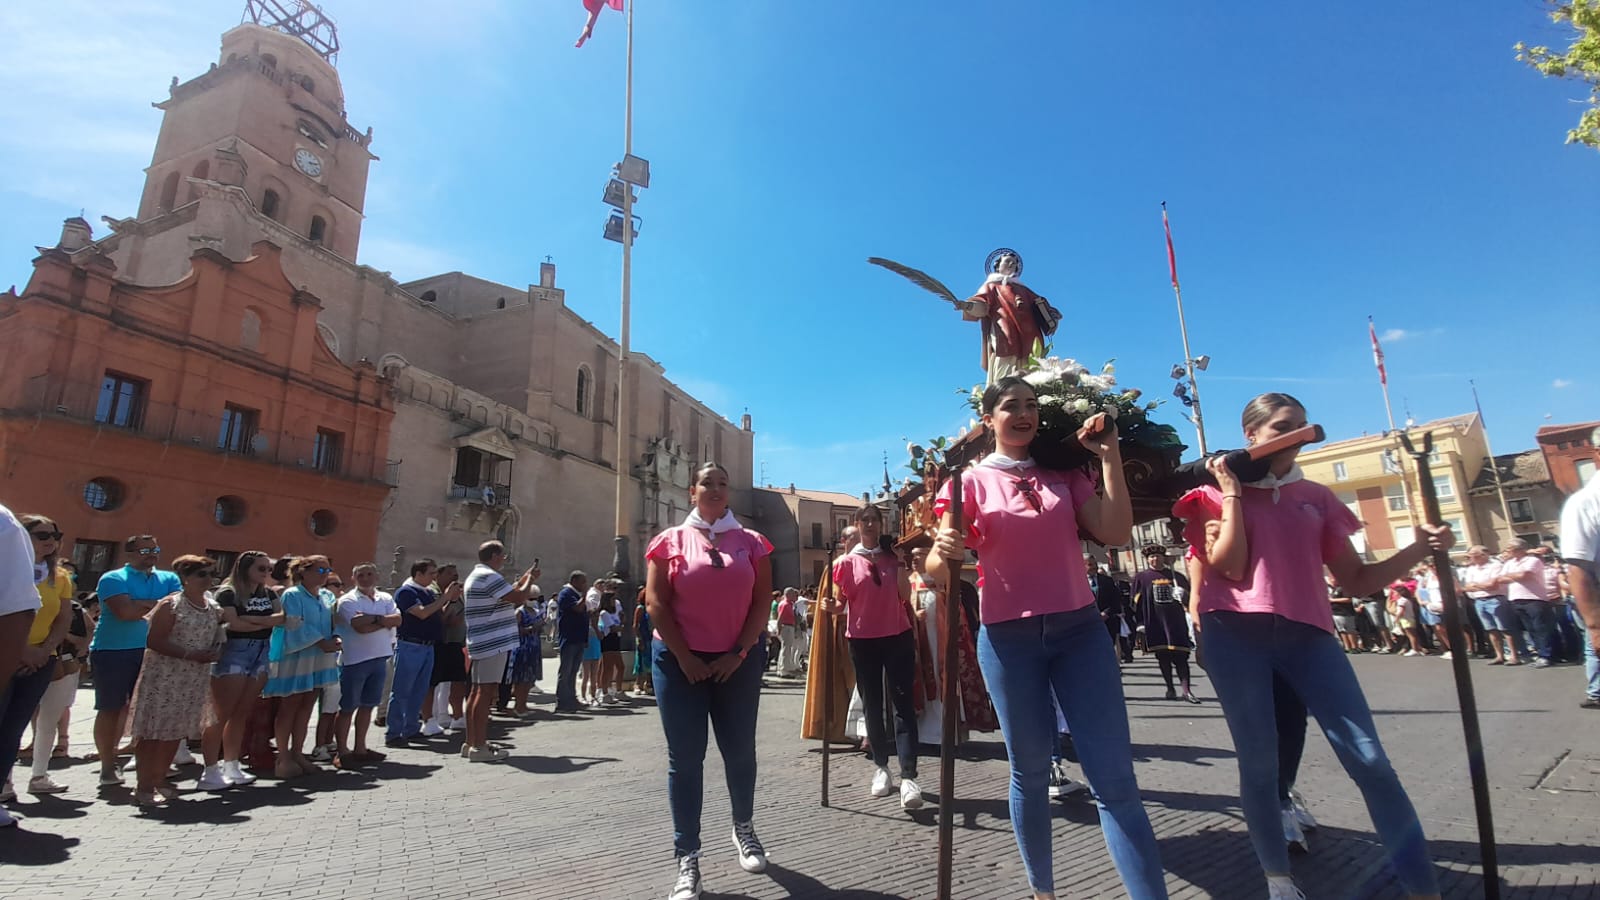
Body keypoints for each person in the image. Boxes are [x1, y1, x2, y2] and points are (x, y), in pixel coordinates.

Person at [1175, 392, 1447, 900]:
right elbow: (1229, 567)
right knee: (1259, 760)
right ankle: (1278, 879)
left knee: (1370, 761)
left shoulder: (1316, 497)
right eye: (1282, 427)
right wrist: (1231, 490)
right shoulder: (1208, 496)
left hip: (1309, 635)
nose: (1296, 436)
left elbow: (1359, 579)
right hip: (1235, 634)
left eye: (1301, 425)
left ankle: (1422, 888)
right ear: (1251, 435)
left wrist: (1419, 548)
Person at [926, 376, 1167, 900]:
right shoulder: (967, 484)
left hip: (1079, 631)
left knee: (1116, 781)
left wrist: (1108, 458)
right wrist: (942, 545)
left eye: (1032, 405)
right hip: (1009, 641)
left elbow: (1115, 531)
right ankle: (1043, 892)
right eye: (1011, 406)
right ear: (988, 419)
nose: (1024, 414)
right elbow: (936, 565)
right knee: (1030, 773)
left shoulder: (1064, 473)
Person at [645, 461, 773, 899]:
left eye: (723, 483)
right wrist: (686, 659)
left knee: (740, 752)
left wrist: (738, 654)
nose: (716, 489)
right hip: (678, 663)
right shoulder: (668, 542)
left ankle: (744, 827)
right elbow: (656, 604)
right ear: (691, 491)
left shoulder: (753, 543)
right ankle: (688, 859)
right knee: (685, 759)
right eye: (707, 483)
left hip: (737, 661)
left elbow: (762, 603)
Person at [829, 505, 924, 810]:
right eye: (865, 520)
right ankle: (881, 767)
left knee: (902, 704)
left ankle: (909, 775)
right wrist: (831, 607)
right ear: (857, 525)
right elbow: (841, 602)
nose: (869, 524)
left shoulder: (892, 557)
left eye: (874, 520)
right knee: (872, 705)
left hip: (897, 635)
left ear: (881, 525)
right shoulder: (845, 563)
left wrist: (898, 563)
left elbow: (903, 596)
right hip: (862, 639)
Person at [129, 555, 224, 806]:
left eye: (210, 574)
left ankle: (159, 779)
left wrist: (214, 651)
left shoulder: (212, 607)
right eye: (201, 574)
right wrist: (189, 654)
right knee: (152, 731)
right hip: (164, 676)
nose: (207, 580)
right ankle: (143, 786)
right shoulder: (170, 605)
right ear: (186, 578)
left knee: (176, 730)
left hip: (193, 678)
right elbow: (154, 640)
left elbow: (216, 635)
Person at [89, 534, 181, 787]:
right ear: (128, 555)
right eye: (143, 551)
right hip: (114, 650)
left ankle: (145, 764)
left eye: (155, 549)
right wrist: (158, 605)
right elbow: (125, 612)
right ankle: (108, 764)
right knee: (111, 708)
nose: (151, 554)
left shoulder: (169, 578)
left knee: (150, 708)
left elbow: (179, 611)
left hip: (155, 651)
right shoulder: (113, 578)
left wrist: (143, 604)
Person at [0, 515, 73, 810]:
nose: (49, 540)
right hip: (8, 655)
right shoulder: (9, 567)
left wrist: (45, 651)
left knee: (13, 728)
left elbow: (63, 618)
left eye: (54, 534)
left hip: (41, 661)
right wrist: (21, 650)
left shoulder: (61, 577)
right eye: (40, 533)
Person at [198, 550, 283, 791]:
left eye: (268, 569)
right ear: (245, 568)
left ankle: (232, 764)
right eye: (261, 569)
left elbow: (280, 618)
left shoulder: (267, 593)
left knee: (242, 712)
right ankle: (210, 769)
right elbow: (233, 624)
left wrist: (252, 620)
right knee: (221, 712)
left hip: (261, 650)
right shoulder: (228, 592)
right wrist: (260, 621)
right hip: (234, 651)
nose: (266, 573)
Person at [261, 556, 342, 780]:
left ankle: (298, 752)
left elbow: (331, 622)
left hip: (320, 658)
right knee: (290, 705)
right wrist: (320, 641)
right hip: (298, 657)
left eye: (327, 569)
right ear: (303, 572)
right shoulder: (292, 594)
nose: (325, 573)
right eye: (320, 569)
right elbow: (294, 625)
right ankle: (283, 756)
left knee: (307, 705)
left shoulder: (327, 596)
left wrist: (335, 638)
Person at [461, 541, 537, 761]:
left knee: (477, 692)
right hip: (492, 641)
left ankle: (472, 742)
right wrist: (530, 580)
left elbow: (510, 593)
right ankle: (479, 747)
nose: (504, 559)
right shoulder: (489, 577)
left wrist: (523, 578)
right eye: (503, 555)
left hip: (482, 640)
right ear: (495, 555)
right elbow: (518, 597)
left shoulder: (479, 575)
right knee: (485, 694)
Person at [27, 581, 92, 794]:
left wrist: (52, 647)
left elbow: (84, 628)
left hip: (57, 661)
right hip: (18, 657)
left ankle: (39, 776)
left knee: (49, 720)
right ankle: (5, 782)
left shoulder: (65, 589)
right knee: (13, 721)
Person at [332, 564, 400, 766]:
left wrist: (375, 620)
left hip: (379, 658)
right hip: (355, 660)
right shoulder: (348, 601)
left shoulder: (385, 598)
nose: (366, 578)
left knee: (368, 706)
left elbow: (397, 619)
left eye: (369, 574)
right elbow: (358, 626)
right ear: (353, 578)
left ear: (377, 576)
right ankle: (342, 751)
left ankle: (360, 748)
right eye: (360, 575)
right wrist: (383, 621)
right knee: (347, 707)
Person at [389, 559, 451, 743]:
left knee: (419, 690)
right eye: (431, 573)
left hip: (428, 646)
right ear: (419, 574)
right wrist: (445, 598)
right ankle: (394, 732)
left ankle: (411, 728)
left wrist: (449, 601)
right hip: (410, 645)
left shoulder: (429, 592)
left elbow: (436, 613)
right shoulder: (406, 592)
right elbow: (422, 613)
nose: (434, 577)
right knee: (402, 690)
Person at [1132, 546, 1199, 703]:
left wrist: (1184, 595)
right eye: (1151, 557)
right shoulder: (1141, 578)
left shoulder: (1177, 577)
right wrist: (1140, 622)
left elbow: (1191, 600)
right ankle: (1170, 687)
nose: (1155, 559)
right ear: (1147, 559)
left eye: (1157, 556)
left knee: (1181, 657)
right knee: (1163, 657)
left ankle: (1186, 690)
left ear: (1163, 558)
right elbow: (1136, 603)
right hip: (1155, 623)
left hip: (1175, 622)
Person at [422, 564, 467, 735]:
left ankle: (457, 717)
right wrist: (452, 600)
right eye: (449, 574)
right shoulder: (433, 593)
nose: (454, 578)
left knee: (458, 680)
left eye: (456, 574)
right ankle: (428, 719)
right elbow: (442, 618)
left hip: (454, 643)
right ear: (438, 576)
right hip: (439, 643)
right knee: (432, 683)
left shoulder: (456, 592)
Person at [1497, 538, 1553, 667]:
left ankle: (1546, 655)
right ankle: (1539, 654)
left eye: (1510, 549)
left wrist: (1510, 575)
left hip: (1534, 599)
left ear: (1519, 549)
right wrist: (1515, 575)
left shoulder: (1533, 560)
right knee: (1530, 629)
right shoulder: (1509, 563)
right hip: (1516, 599)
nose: (1507, 551)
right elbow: (1500, 579)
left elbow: (1525, 575)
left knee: (1540, 628)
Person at [1459, 545, 1514, 665]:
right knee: (1490, 629)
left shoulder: (1495, 566)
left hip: (1496, 599)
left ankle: (1514, 655)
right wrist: (1480, 586)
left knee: (1505, 629)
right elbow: (1467, 587)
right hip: (1479, 600)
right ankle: (1500, 655)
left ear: (1483, 555)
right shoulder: (1471, 569)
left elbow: (1493, 585)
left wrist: (1476, 585)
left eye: (1472, 555)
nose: (1470, 557)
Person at [555, 572, 590, 712]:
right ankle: (562, 701)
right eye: (582, 582)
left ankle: (571, 698)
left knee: (574, 671)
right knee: (566, 670)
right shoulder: (566, 593)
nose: (584, 585)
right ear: (574, 581)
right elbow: (577, 608)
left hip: (579, 638)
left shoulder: (575, 594)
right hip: (569, 638)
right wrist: (585, 596)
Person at [508, 585, 545, 715]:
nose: (533, 600)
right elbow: (515, 630)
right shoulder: (519, 612)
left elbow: (539, 629)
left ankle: (524, 704)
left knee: (529, 678)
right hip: (522, 648)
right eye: (531, 598)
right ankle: (518, 706)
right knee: (521, 679)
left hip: (534, 648)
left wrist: (540, 626)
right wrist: (531, 628)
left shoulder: (535, 611)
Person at [1087, 557, 1129, 662]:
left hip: (1107, 621)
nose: (1094, 567)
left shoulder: (1107, 581)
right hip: (1087, 623)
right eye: (1090, 564)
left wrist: (1106, 613)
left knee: (1108, 648)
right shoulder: (1077, 582)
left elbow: (1116, 600)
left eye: (1095, 564)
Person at [598, 593, 625, 704]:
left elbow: (620, 625)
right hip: (608, 640)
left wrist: (622, 621)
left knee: (620, 666)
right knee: (607, 667)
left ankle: (618, 690)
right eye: (612, 599)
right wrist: (620, 626)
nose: (614, 601)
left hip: (615, 640)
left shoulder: (615, 613)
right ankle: (604, 693)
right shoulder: (604, 613)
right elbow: (613, 628)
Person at [632, 587, 654, 695]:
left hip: (651, 638)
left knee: (650, 661)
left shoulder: (651, 608)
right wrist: (639, 638)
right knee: (640, 661)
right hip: (643, 637)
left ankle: (648, 683)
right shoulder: (640, 608)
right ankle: (637, 684)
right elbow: (635, 625)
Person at [775, 588, 801, 677]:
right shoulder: (785, 604)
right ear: (788, 595)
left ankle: (782, 667)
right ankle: (784, 670)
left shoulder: (789, 604)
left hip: (788, 627)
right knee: (786, 648)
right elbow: (780, 617)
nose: (795, 596)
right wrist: (778, 629)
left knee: (786, 648)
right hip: (786, 627)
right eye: (793, 594)